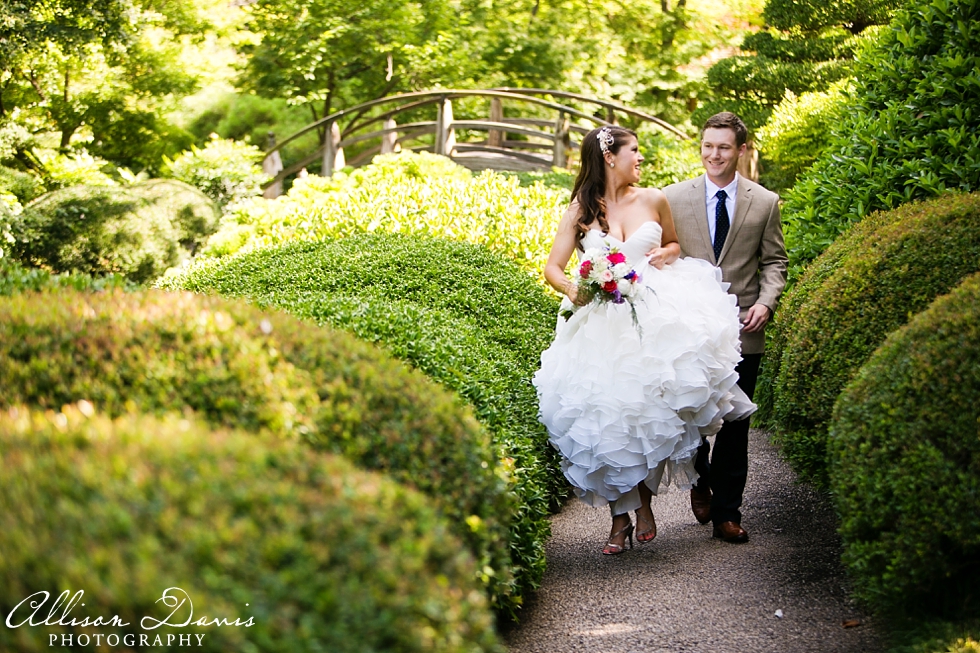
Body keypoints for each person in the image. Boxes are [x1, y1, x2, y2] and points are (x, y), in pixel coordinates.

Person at [533, 125, 756, 555]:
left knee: (646, 415)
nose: (640, 159)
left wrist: (666, 254)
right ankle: (621, 516)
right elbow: (554, 267)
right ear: (609, 157)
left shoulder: (654, 198)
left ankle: (644, 505)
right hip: (601, 324)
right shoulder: (581, 209)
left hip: (655, 317)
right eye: (634, 151)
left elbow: (673, 244)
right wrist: (574, 288)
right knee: (607, 419)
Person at [662, 112, 788, 543]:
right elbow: (660, 258)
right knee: (693, 420)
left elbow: (774, 262)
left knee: (736, 428)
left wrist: (766, 303)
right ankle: (701, 480)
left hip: (743, 331)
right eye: (707, 146)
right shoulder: (672, 198)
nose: (714, 155)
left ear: (741, 150)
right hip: (691, 333)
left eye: (723, 147)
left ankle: (727, 515)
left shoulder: (765, 201)